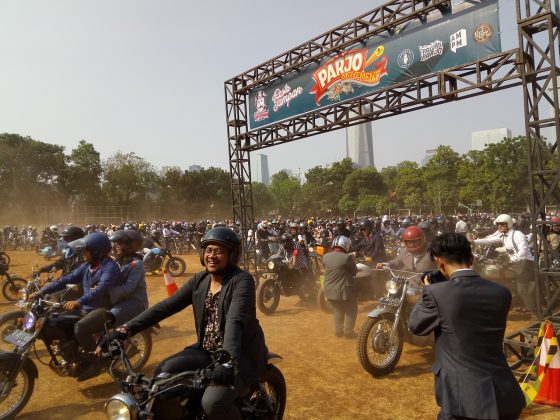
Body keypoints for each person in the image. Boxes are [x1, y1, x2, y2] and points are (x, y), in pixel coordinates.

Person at [98, 227, 268, 420]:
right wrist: (124, 330)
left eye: (219, 251)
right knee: (163, 374)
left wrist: (228, 362)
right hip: (206, 351)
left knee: (213, 403)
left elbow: (235, 320)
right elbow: (166, 307)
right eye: (209, 250)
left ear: (232, 255)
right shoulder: (200, 280)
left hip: (239, 356)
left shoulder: (241, 281)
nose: (212, 256)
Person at [409, 233, 526, 420]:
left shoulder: (435, 293)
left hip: (463, 401)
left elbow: (416, 326)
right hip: (505, 394)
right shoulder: (502, 293)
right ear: (471, 259)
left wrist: (428, 289)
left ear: (438, 262)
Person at [31, 232, 123, 381]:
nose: (83, 254)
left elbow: (101, 289)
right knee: (55, 320)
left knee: (81, 328)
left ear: (96, 252)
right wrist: (43, 291)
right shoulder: (88, 265)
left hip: (102, 309)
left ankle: (96, 361)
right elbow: (68, 278)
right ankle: (73, 354)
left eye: (86, 251)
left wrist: (79, 301)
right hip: (86, 307)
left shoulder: (109, 267)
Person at [473, 213, 536, 313]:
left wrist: (512, 260)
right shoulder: (503, 236)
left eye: (502, 224)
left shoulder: (517, 235)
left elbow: (523, 251)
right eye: (498, 224)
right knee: (493, 270)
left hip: (526, 264)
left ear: (508, 224)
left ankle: (533, 309)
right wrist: (475, 242)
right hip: (514, 264)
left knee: (521, 289)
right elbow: (490, 240)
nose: (499, 226)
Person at [322, 236, 358, 338]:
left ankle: (338, 331)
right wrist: (353, 259)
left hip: (328, 289)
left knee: (338, 309)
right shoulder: (347, 257)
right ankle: (348, 331)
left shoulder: (325, 256)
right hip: (343, 290)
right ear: (345, 245)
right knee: (351, 308)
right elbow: (354, 272)